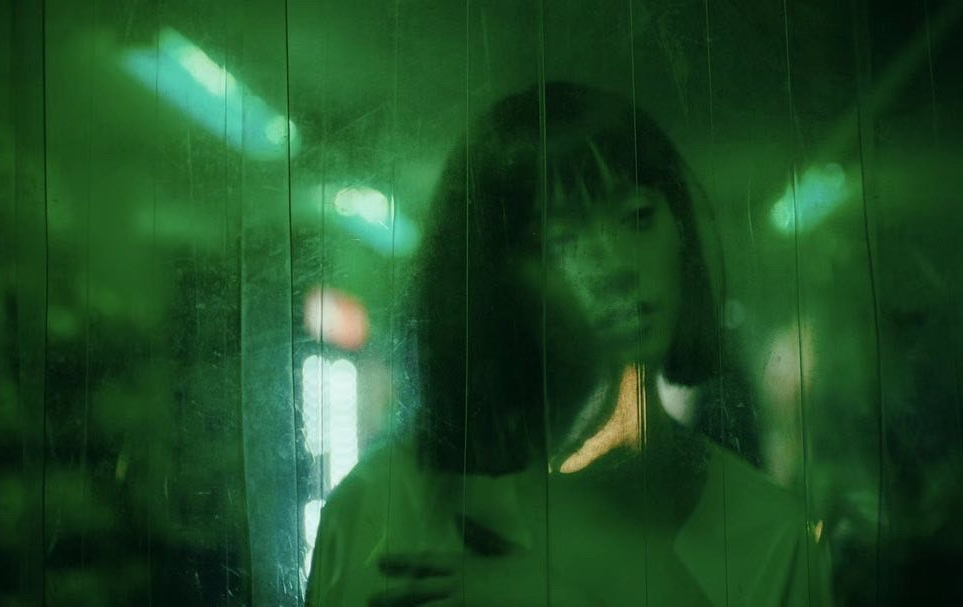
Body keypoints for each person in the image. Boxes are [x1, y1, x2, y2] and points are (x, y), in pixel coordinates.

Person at [305, 82, 829, 606]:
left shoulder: (771, 536)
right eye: (561, 241)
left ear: (682, 234)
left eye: (638, 217)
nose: (617, 267)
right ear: (492, 284)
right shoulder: (383, 512)